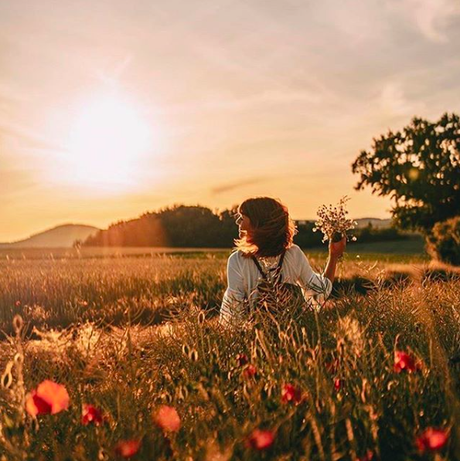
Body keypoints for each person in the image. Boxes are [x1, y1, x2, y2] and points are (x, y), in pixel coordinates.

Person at [219, 197, 346, 325]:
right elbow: (320, 291)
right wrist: (333, 257)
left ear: (258, 222)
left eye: (242, 217)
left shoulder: (238, 260)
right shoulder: (293, 254)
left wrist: (334, 255)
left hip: (255, 339)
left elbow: (234, 313)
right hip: (294, 338)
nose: (237, 222)